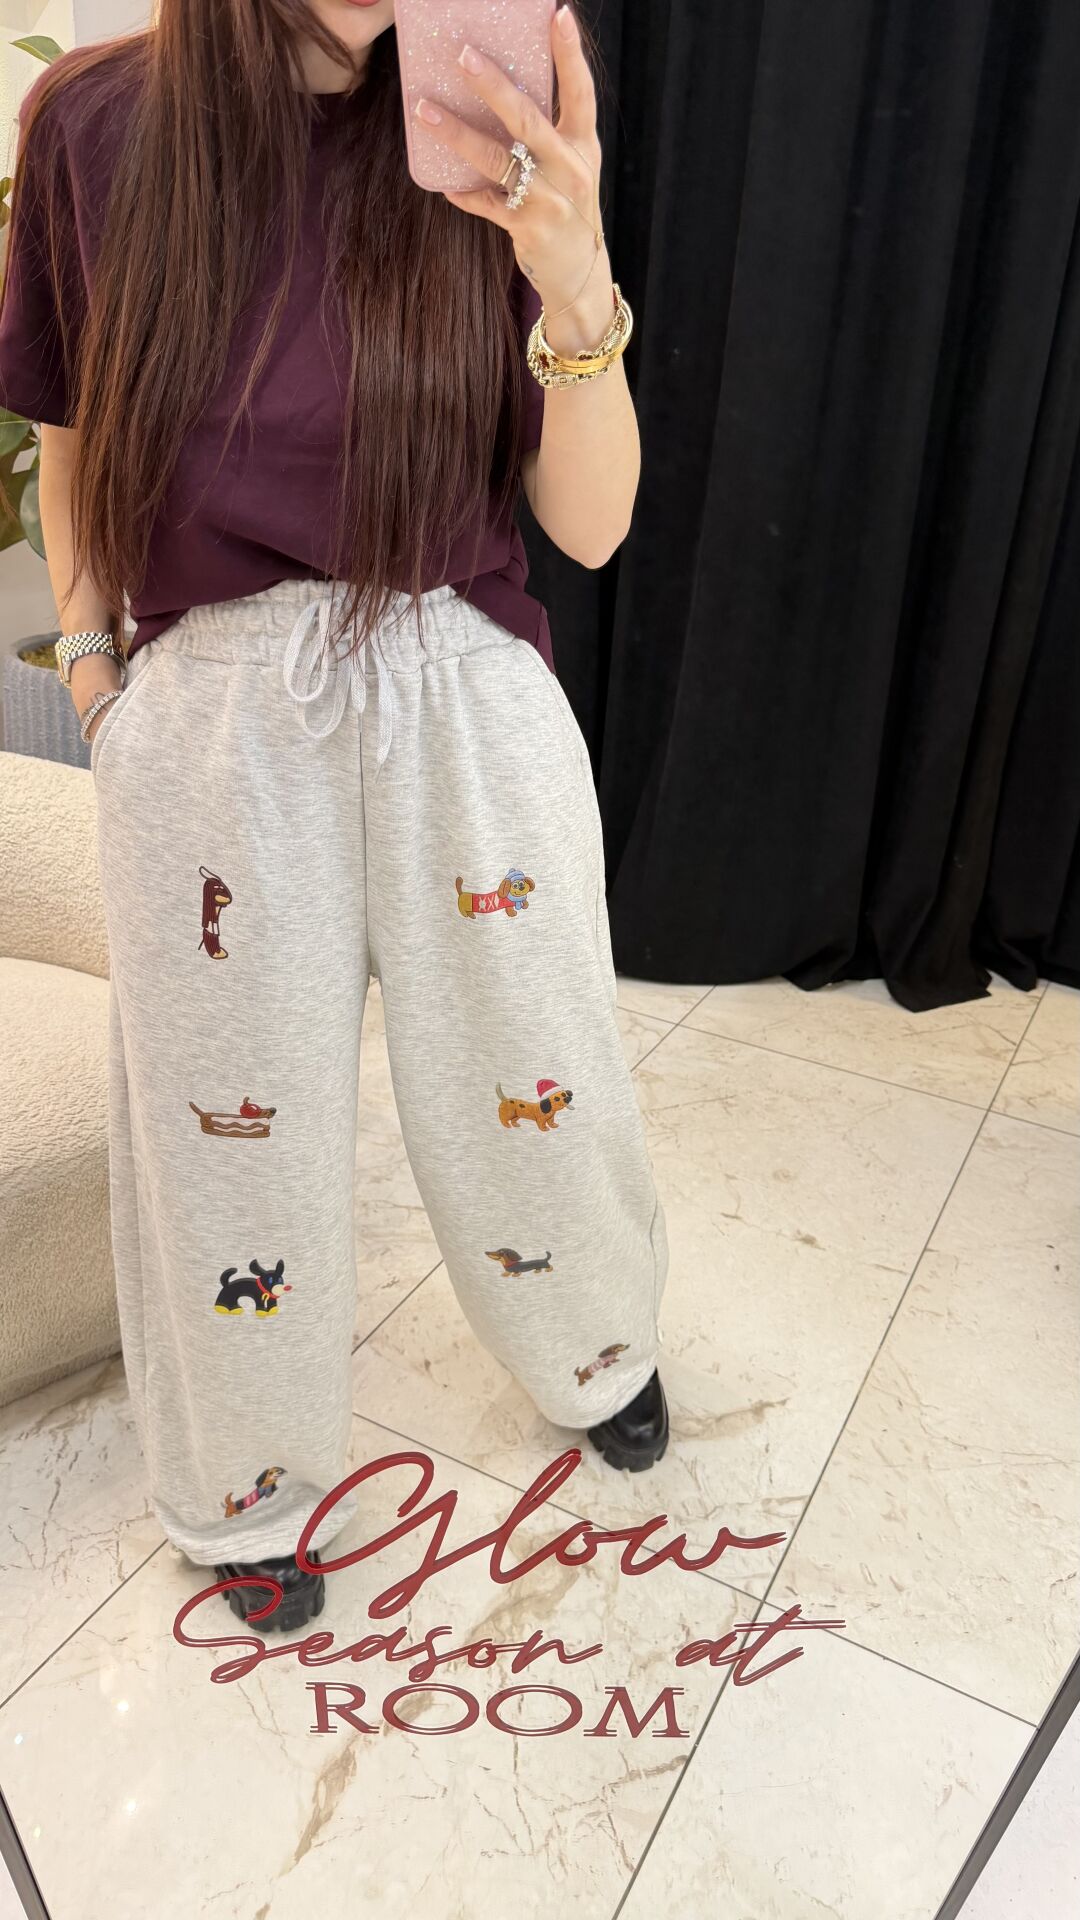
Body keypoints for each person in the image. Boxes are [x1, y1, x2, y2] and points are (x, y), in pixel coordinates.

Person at [0, 0, 670, 1634]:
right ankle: (247, 1487)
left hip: (460, 680)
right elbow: (68, 447)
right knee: (230, 1134)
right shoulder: (98, 126)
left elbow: (591, 528)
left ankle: (596, 1345)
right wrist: (98, 676)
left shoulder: (487, 117)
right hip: (218, 714)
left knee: (540, 1074)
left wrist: (573, 276)